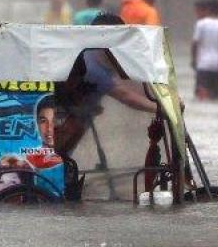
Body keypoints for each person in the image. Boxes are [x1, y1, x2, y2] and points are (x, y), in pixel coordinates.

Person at [53, 13, 159, 155]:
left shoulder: (97, 58)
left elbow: (131, 85)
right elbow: (125, 96)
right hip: (62, 119)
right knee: (57, 154)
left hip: (77, 116)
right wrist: (160, 108)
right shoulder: (92, 67)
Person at [191, 0, 218, 101]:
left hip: (203, 67)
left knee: (201, 99)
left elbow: (194, 44)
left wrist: (194, 60)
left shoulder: (201, 24)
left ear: (208, 9)